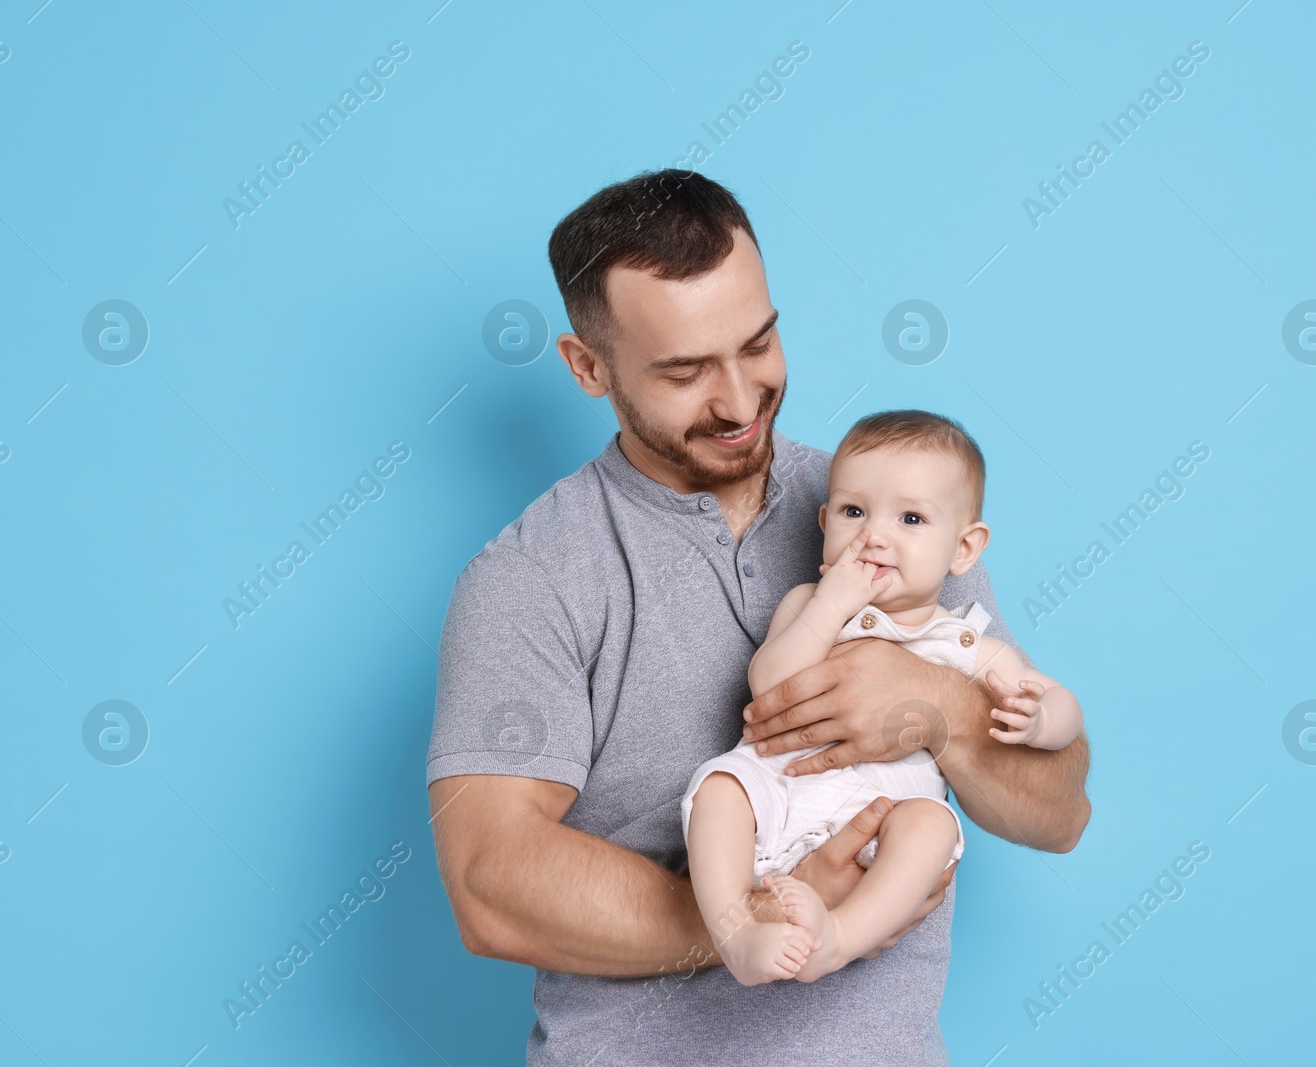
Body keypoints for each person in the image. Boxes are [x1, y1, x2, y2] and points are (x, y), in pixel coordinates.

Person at [427, 168, 1091, 1066]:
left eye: (758, 343)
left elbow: (1060, 811)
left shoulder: (887, 507)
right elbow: (491, 883)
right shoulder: (531, 577)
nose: (740, 403)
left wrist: (942, 711)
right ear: (589, 367)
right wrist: (752, 909)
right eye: (685, 371)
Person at [681, 409, 1084, 987]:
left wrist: (1042, 718)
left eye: (911, 518)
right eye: (852, 512)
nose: (874, 535)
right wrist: (830, 603)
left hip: (880, 822)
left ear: (964, 549)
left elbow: (1062, 705)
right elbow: (770, 685)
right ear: (825, 524)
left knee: (932, 826)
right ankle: (738, 935)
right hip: (778, 794)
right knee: (721, 788)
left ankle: (839, 938)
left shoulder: (965, 641)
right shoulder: (807, 606)